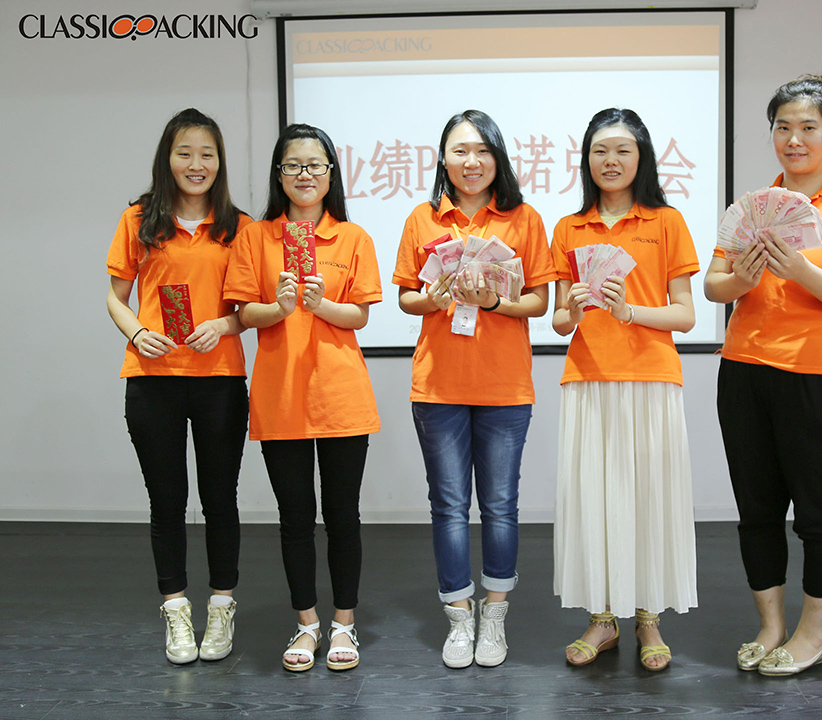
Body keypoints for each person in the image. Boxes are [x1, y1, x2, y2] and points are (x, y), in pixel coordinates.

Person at [704, 75, 822, 676]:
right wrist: (745, 277)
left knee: (818, 515)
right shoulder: (753, 208)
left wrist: (801, 270)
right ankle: (771, 625)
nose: (794, 138)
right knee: (757, 511)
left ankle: (813, 634)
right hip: (744, 374)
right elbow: (714, 286)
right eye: (783, 127)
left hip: (819, 379)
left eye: (809, 127)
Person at [393, 110, 557, 669]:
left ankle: (495, 614)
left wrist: (492, 302)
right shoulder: (422, 219)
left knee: (501, 505)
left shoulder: (523, 219)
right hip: (437, 384)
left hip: (505, 385)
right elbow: (406, 298)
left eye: (482, 151)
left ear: (498, 158)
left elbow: (539, 301)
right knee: (448, 506)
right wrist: (434, 298)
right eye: (460, 151)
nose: (471, 161)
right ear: (443, 159)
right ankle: (459, 617)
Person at [223, 124, 381, 673]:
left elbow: (359, 315)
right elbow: (245, 313)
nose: (304, 174)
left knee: (342, 515)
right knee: (294, 517)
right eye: (293, 165)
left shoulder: (353, 237)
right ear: (279, 174)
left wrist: (320, 306)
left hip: (341, 395)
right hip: (281, 394)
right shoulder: (255, 237)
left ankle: (344, 622)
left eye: (315, 165)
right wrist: (281, 308)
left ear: (331, 174)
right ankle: (307, 623)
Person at [551, 108, 699, 672]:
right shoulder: (569, 227)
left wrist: (629, 311)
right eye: (599, 151)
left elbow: (685, 314)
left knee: (648, 498)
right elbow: (559, 323)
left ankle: (648, 617)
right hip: (588, 377)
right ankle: (603, 617)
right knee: (595, 499)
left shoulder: (666, 221)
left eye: (622, 150)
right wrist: (574, 308)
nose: (610, 161)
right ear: (586, 160)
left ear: (642, 158)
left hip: (651, 378)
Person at [106, 108, 251, 665]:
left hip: (219, 380)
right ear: (167, 159)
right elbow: (116, 297)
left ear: (219, 162)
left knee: (220, 500)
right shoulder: (139, 219)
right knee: (166, 502)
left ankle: (221, 607)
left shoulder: (238, 227)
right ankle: (175, 610)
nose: (196, 164)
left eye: (206, 154)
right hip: (153, 380)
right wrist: (137, 331)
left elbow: (250, 309)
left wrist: (226, 324)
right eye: (184, 153)